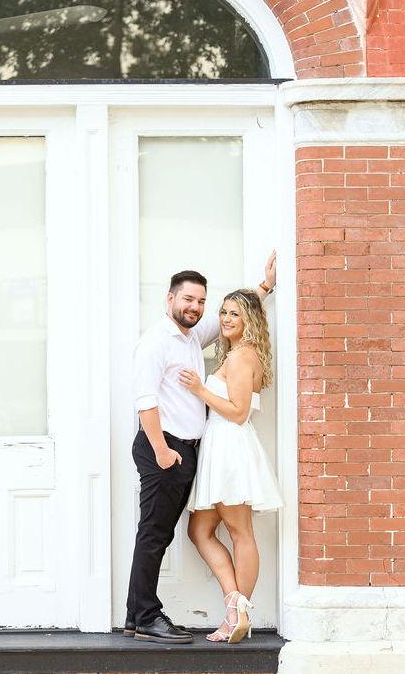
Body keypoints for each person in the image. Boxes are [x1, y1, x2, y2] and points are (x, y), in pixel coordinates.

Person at [125, 256, 275, 644]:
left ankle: (136, 615)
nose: (196, 307)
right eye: (188, 299)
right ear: (170, 299)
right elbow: (145, 401)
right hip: (165, 448)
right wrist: (161, 450)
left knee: (171, 532)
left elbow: (238, 315)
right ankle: (146, 616)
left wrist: (264, 287)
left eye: (201, 301)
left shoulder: (194, 335)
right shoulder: (156, 342)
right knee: (155, 534)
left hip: (196, 451)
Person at [179, 289, 283, 644]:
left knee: (240, 532)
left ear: (248, 320)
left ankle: (239, 613)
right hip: (219, 446)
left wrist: (199, 390)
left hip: (229, 448)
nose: (225, 319)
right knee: (200, 530)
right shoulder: (238, 352)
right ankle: (234, 602)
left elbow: (238, 413)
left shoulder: (241, 356)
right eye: (223, 312)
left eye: (234, 314)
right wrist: (264, 286)